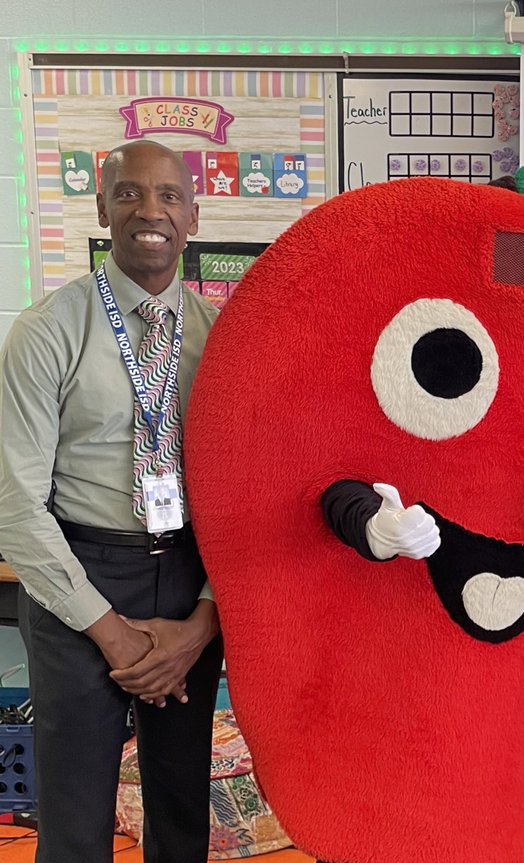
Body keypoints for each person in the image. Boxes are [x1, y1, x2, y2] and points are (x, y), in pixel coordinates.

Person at [0, 140, 223, 863]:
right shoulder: (47, 332)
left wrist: (201, 620)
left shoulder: (223, 336)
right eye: (128, 193)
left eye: (167, 195)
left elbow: (251, 488)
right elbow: (16, 506)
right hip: (80, 575)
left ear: (193, 213)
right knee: (75, 815)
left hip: (190, 569)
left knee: (184, 802)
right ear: (102, 208)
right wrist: (111, 631)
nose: (148, 211)